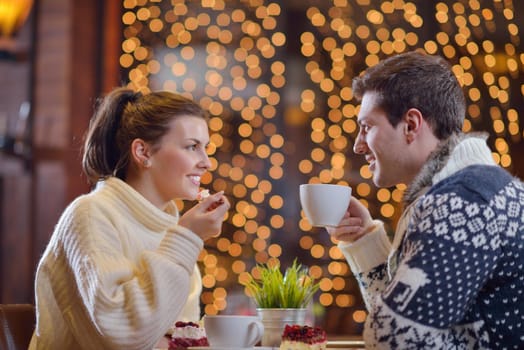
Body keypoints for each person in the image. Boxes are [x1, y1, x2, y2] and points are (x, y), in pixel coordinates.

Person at [327, 51, 524, 349]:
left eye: (366, 127)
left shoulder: (462, 202)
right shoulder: (468, 190)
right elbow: (406, 325)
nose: (357, 145)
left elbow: (393, 339)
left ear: (411, 124)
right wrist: (364, 241)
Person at [29, 87, 230, 350]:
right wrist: (188, 237)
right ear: (143, 153)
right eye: (192, 147)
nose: (206, 162)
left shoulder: (171, 227)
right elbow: (124, 334)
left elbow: (180, 336)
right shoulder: (90, 216)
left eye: (205, 148)